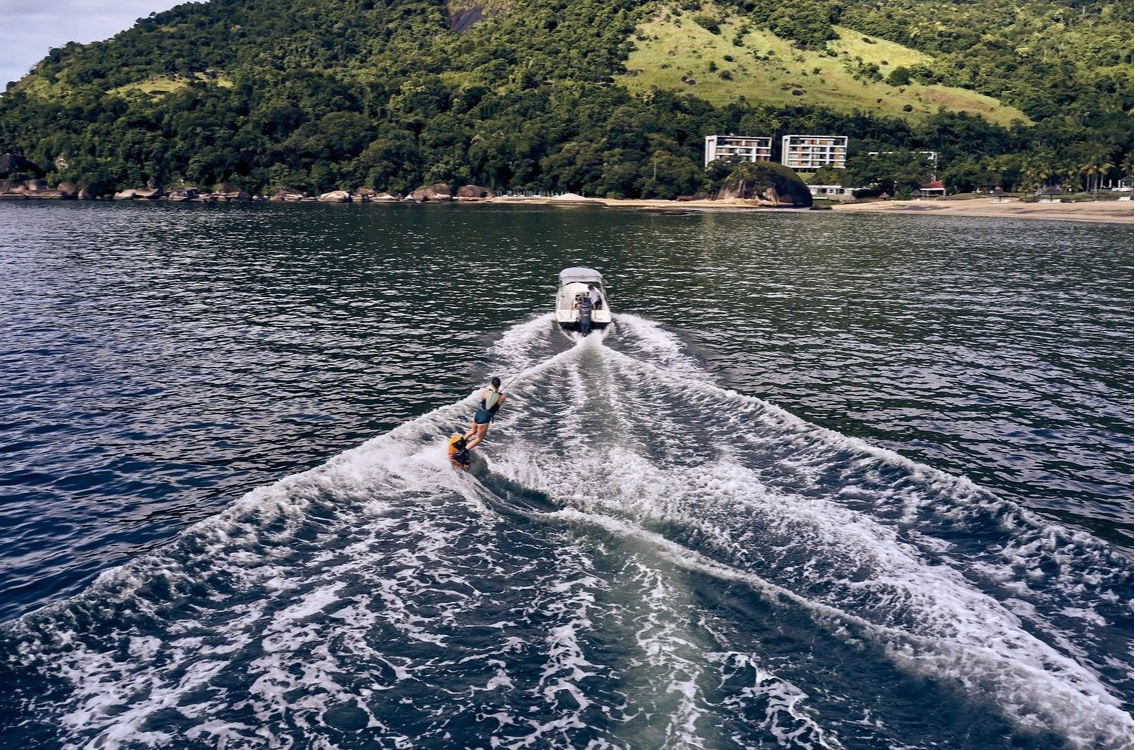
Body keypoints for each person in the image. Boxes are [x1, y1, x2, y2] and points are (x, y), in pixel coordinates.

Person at [464, 376, 506, 450]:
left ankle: (461, 442)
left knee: (473, 430)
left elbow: (485, 400)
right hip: (484, 419)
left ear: (491, 384)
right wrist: (498, 394)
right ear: (499, 385)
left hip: (478, 414)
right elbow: (498, 404)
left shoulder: (485, 392)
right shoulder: (502, 397)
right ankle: (462, 453)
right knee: (478, 439)